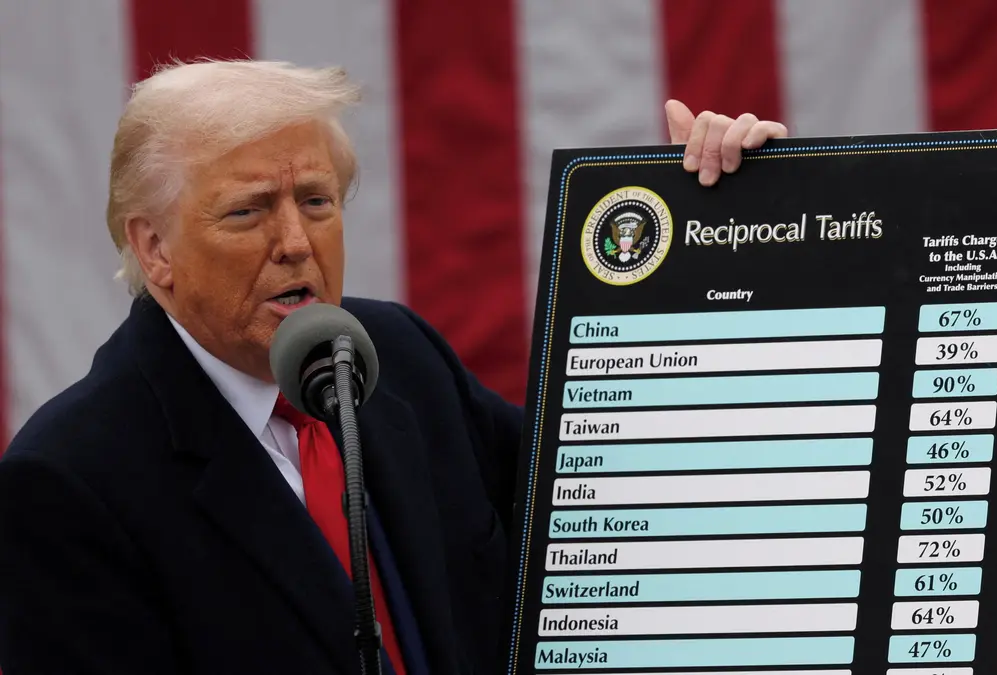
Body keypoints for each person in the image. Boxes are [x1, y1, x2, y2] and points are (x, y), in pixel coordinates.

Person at [0, 59, 787, 675]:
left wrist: (717, 232)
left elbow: (614, 507)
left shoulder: (398, 355)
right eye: (248, 211)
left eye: (316, 201)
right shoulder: (69, 481)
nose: (295, 243)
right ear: (154, 249)